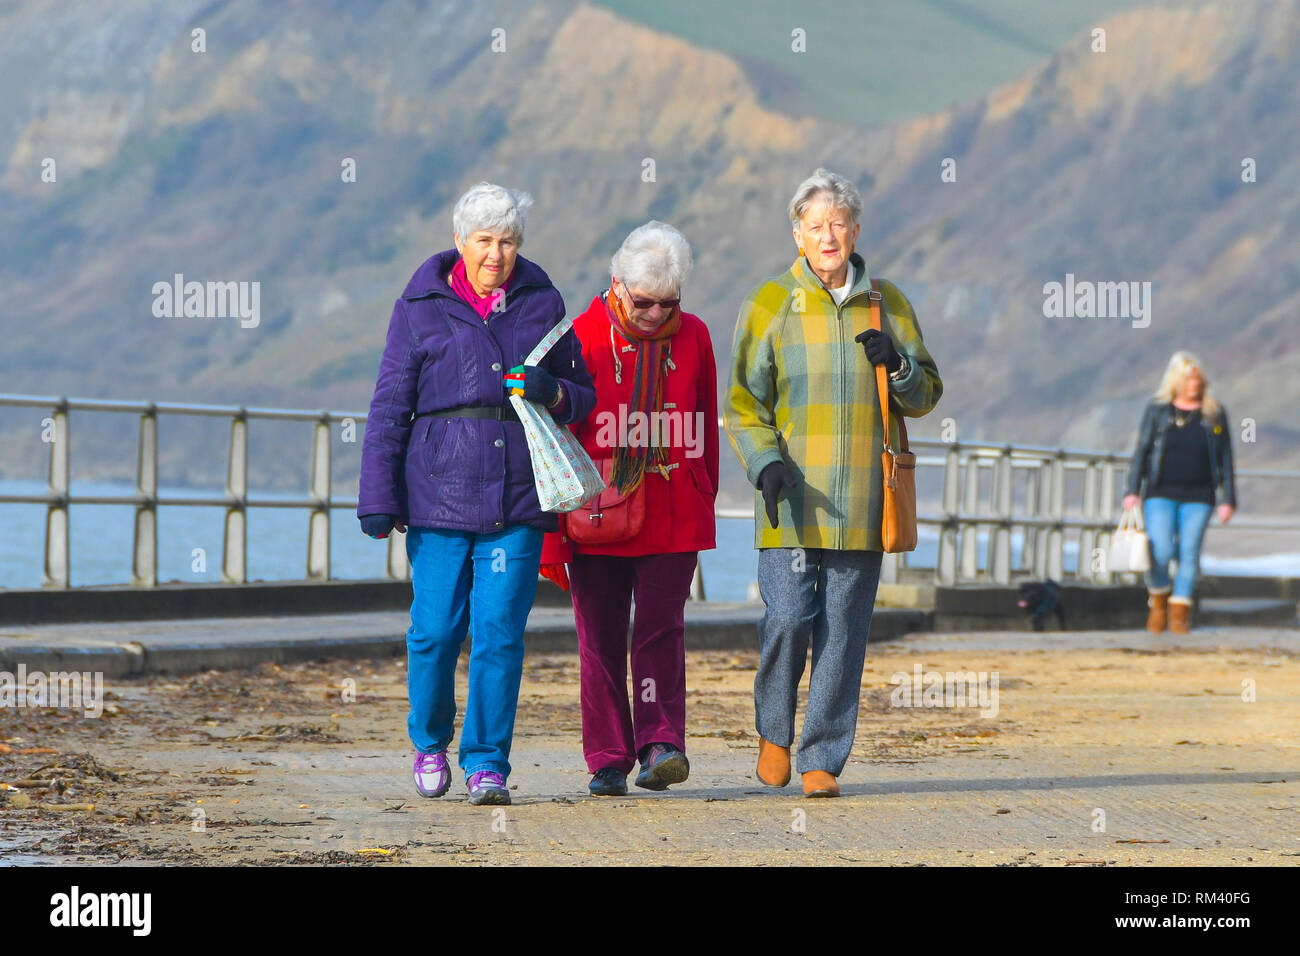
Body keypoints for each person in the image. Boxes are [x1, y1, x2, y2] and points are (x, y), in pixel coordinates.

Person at [357, 181, 595, 806]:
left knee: (499, 633)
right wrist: (377, 498)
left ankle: (488, 762)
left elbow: (584, 396)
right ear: (460, 242)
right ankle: (430, 743)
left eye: (509, 241)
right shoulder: (418, 305)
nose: (497, 254)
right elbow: (388, 407)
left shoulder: (544, 303)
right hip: (436, 497)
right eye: (485, 241)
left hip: (516, 501)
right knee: (434, 631)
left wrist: (551, 389)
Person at [725, 168, 942, 798]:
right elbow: (743, 402)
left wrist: (898, 366)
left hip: (864, 502)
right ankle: (774, 730)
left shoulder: (888, 302)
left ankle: (822, 756)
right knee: (790, 617)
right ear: (797, 234)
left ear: (855, 230)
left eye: (838, 224)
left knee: (844, 631)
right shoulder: (770, 302)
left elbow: (927, 393)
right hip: (789, 498)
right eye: (815, 225)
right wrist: (764, 461)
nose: (828, 235)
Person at [539, 221, 718, 796]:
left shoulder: (694, 335)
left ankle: (661, 743)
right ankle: (608, 756)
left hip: (674, 511)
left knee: (662, 630)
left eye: (669, 303)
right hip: (598, 513)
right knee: (600, 637)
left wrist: (704, 492)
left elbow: (706, 423)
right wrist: (552, 536)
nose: (655, 314)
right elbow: (555, 440)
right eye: (644, 303)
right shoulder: (582, 335)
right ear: (616, 286)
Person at [1122, 351, 1236, 634]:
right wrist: (1132, 490)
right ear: (1176, 380)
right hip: (1160, 491)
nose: (1194, 383)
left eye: (1197, 377)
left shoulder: (1214, 412)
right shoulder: (1157, 410)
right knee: (1159, 549)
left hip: (1200, 495)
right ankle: (1159, 599)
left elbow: (1225, 458)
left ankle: (1179, 615)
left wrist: (1228, 499)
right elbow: (1143, 450)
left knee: (1189, 552)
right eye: (1188, 377)